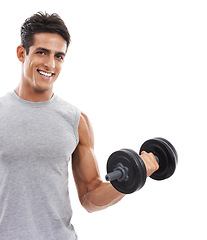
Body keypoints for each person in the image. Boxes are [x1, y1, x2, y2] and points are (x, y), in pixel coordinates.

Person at [0, 12, 159, 240]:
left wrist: (136, 174)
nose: (50, 64)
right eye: (42, 52)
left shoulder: (76, 120)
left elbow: (90, 197)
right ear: (21, 53)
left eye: (59, 56)